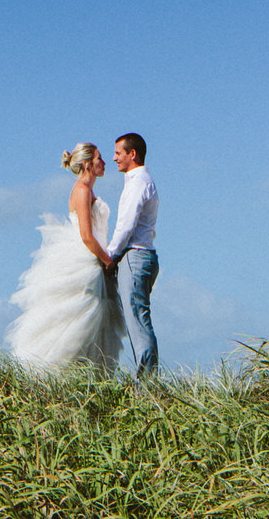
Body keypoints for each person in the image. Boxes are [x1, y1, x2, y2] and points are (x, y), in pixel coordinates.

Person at [3, 142, 126, 370]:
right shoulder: (81, 190)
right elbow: (87, 236)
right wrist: (109, 262)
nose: (105, 162)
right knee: (79, 320)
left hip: (95, 258)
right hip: (85, 260)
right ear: (88, 163)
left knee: (97, 322)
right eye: (100, 158)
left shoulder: (88, 190)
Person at [104, 132, 159, 376]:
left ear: (132, 154)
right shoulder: (138, 180)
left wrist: (110, 256)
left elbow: (126, 225)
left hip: (135, 256)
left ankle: (146, 385)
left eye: (118, 153)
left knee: (137, 321)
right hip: (140, 255)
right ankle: (146, 381)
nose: (114, 158)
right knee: (136, 319)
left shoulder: (137, 182)